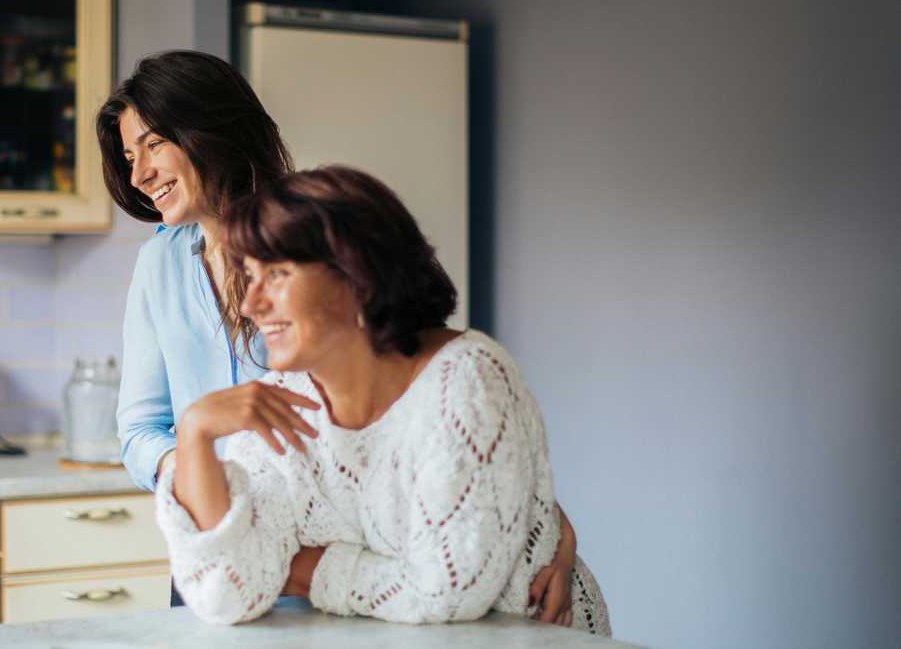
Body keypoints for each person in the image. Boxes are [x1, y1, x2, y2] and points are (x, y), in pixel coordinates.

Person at [97, 51, 580, 623]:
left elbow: (435, 408)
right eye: (130, 156)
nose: (138, 175)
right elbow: (139, 430)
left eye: (153, 145)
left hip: (362, 556)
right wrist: (207, 473)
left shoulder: (319, 229)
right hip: (231, 544)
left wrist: (551, 531)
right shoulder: (160, 265)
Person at [153, 165, 611, 633]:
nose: (251, 304)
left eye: (276, 274)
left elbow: (447, 591)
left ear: (355, 275)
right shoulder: (284, 402)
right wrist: (195, 433)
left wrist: (302, 569)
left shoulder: (467, 378)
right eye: (248, 275)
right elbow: (228, 591)